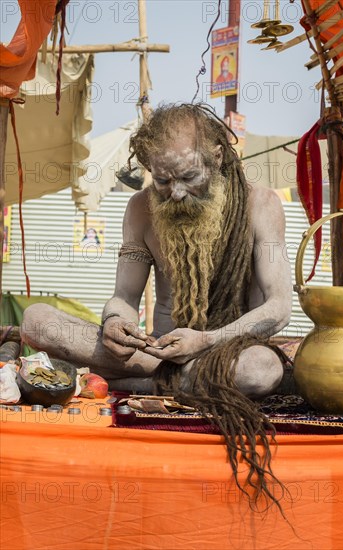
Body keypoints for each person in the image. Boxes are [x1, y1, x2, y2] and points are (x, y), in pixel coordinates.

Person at [22, 104, 293, 511]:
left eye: (188, 177)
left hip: (227, 352)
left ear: (217, 158)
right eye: (163, 180)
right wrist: (116, 322)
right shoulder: (141, 208)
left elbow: (279, 307)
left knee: (262, 369)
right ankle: (165, 380)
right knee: (36, 320)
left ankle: (130, 382)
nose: (177, 192)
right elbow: (125, 297)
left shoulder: (262, 205)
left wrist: (205, 340)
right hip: (152, 351)